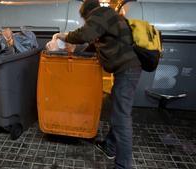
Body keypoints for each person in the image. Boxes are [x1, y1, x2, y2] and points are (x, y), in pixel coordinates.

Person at [56, 0, 141, 168]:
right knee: (118, 109)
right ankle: (109, 146)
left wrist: (64, 36)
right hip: (127, 68)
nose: (86, 22)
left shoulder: (100, 14)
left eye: (84, 18)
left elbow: (84, 35)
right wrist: (77, 52)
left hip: (127, 69)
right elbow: (96, 44)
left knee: (121, 117)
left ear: (87, 13)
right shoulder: (109, 17)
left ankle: (123, 165)